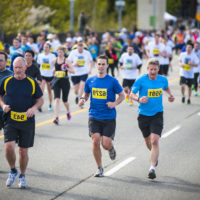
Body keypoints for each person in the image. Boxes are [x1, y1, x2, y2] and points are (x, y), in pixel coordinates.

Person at [0, 57, 43, 188]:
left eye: (20, 67)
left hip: (27, 121)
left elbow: (40, 100)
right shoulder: (6, 81)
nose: (17, 70)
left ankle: (22, 175)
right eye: (15, 67)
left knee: (23, 151)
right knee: (8, 147)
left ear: (25, 67)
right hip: (10, 119)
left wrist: (33, 108)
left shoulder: (31, 82)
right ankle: (13, 170)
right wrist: (2, 106)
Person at [79, 55, 125, 177]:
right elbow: (86, 92)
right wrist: (83, 99)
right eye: (99, 64)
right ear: (96, 65)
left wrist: (114, 103)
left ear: (107, 65)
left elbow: (122, 95)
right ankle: (99, 168)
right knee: (95, 142)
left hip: (109, 117)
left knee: (105, 144)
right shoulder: (90, 80)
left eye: (103, 64)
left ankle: (110, 148)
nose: (101, 66)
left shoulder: (112, 81)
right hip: (94, 115)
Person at [130, 58, 175, 179]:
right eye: (151, 69)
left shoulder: (162, 79)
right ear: (147, 69)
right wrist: (138, 99)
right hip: (143, 115)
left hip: (157, 114)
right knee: (148, 142)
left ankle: (152, 168)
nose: (153, 72)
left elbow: (165, 87)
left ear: (158, 69)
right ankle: (154, 157)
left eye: (155, 69)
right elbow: (131, 94)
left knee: (155, 140)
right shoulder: (141, 80)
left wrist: (170, 95)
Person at [52, 46, 75, 125]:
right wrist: (53, 72)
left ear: (64, 52)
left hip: (65, 82)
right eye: (58, 52)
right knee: (57, 99)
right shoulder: (54, 60)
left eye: (61, 52)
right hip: (57, 82)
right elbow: (53, 70)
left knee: (65, 101)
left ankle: (68, 111)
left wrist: (66, 68)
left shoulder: (67, 60)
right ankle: (56, 118)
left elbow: (73, 71)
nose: (60, 53)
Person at [68, 40, 93, 105]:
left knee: (82, 86)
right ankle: (77, 96)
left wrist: (90, 69)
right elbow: (68, 62)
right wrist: (74, 64)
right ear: (77, 47)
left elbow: (91, 61)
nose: (80, 50)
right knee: (76, 90)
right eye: (79, 48)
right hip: (75, 73)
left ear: (83, 47)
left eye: (82, 48)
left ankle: (80, 99)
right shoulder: (73, 52)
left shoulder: (87, 52)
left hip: (84, 72)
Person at [37, 42, 56, 110]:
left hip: (50, 75)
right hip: (42, 75)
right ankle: (40, 105)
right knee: (41, 90)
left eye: (47, 47)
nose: (45, 48)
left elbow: (55, 65)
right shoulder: (40, 55)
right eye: (44, 47)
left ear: (49, 49)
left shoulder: (52, 56)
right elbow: (38, 65)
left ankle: (50, 104)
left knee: (49, 91)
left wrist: (54, 71)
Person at [0, 51, 13, 133]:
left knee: (9, 142)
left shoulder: (11, 75)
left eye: (1, 60)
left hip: (7, 111)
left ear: (6, 62)